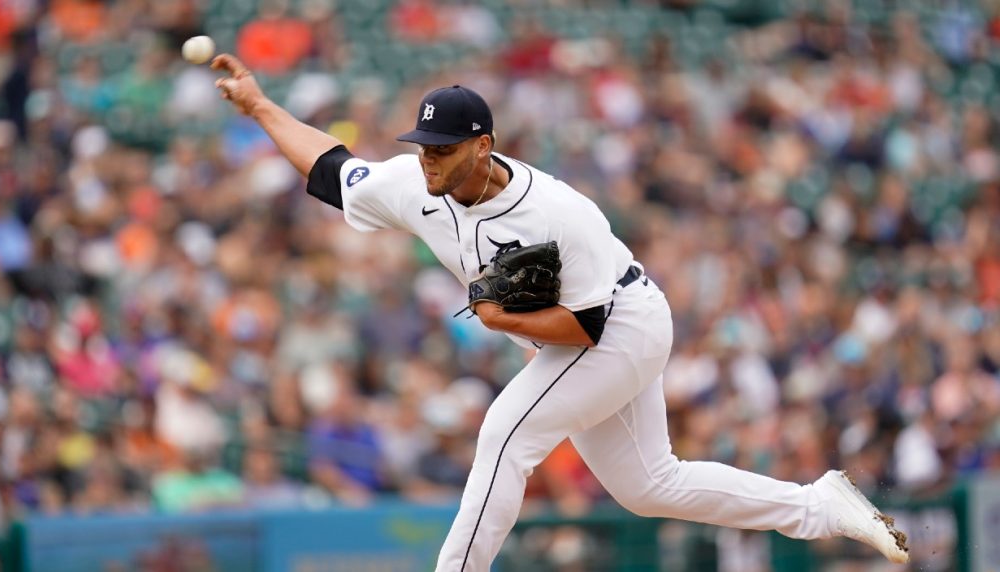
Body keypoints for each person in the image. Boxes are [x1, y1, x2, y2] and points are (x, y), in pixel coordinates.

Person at [209, 54, 910, 569]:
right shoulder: (415, 185)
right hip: (577, 340)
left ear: (483, 146)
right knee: (649, 485)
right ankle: (822, 506)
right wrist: (260, 106)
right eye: (423, 147)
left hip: (621, 325)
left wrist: (504, 319)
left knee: (506, 434)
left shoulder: (560, 213)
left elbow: (586, 328)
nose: (428, 161)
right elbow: (332, 170)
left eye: (444, 150)